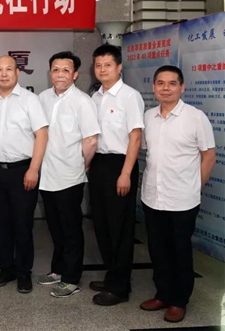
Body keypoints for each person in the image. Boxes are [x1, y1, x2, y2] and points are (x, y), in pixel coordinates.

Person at [139, 65, 215, 324]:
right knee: (157, 249)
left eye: (172, 83)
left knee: (179, 250)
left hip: (183, 200)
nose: (166, 88)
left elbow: (209, 156)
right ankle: (162, 293)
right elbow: (148, 152)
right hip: (152, 196)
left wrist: (194, 186)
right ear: (154, 87)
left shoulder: (195, 117)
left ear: (182, 87)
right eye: (160, 83)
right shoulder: (148, 117)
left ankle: (179, 300)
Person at [0, 56, 48, 294]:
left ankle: (24, 271)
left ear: (17, 73)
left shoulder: (30, 100)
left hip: (23, 170)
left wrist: (34, 169)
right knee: (0, 224)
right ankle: (6, 268)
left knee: (22, 224)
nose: (4, 74)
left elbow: (42, 135)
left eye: (9, 69)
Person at [37, 51, 100, 298]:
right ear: (50, 73)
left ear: (75, 74)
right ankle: (58, 270)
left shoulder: (82, 101)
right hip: (47, 174)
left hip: (70, 176)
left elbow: (91, 140)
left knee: (71, 228)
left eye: (66, 70)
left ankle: (72, 278)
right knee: (55, 227)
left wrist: (83, 164)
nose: (60, 74)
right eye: (56, 69)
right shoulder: (42, 98)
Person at [88, 45, 144, 306]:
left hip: (120, 165)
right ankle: (113, 275)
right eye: (98, 65)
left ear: (119, 67)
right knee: (101, 224)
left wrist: (126, 173)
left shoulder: (129, 96)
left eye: (107, 65)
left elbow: (136, 137)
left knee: (119, 227)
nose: (102, 70)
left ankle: (119, 288)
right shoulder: (95, 97)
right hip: (99, 164)